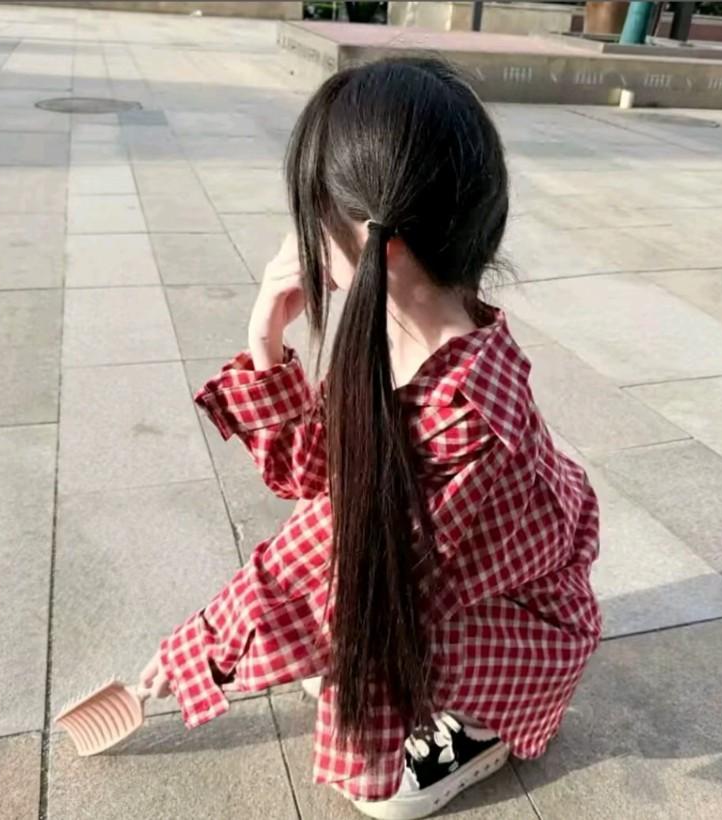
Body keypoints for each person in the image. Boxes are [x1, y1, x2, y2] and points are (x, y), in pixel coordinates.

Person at [139, 58, 602, 820]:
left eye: (313, 218)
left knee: (377, 786)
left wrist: (198, 651)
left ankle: (483, 729)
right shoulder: (408, 329)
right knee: (346, 639)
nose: (299, 241)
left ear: (379, 244)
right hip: (471, 587)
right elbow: (315, 477)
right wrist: (265, 342)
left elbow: (330, 570)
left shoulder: (466, 427)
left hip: (520, 635)